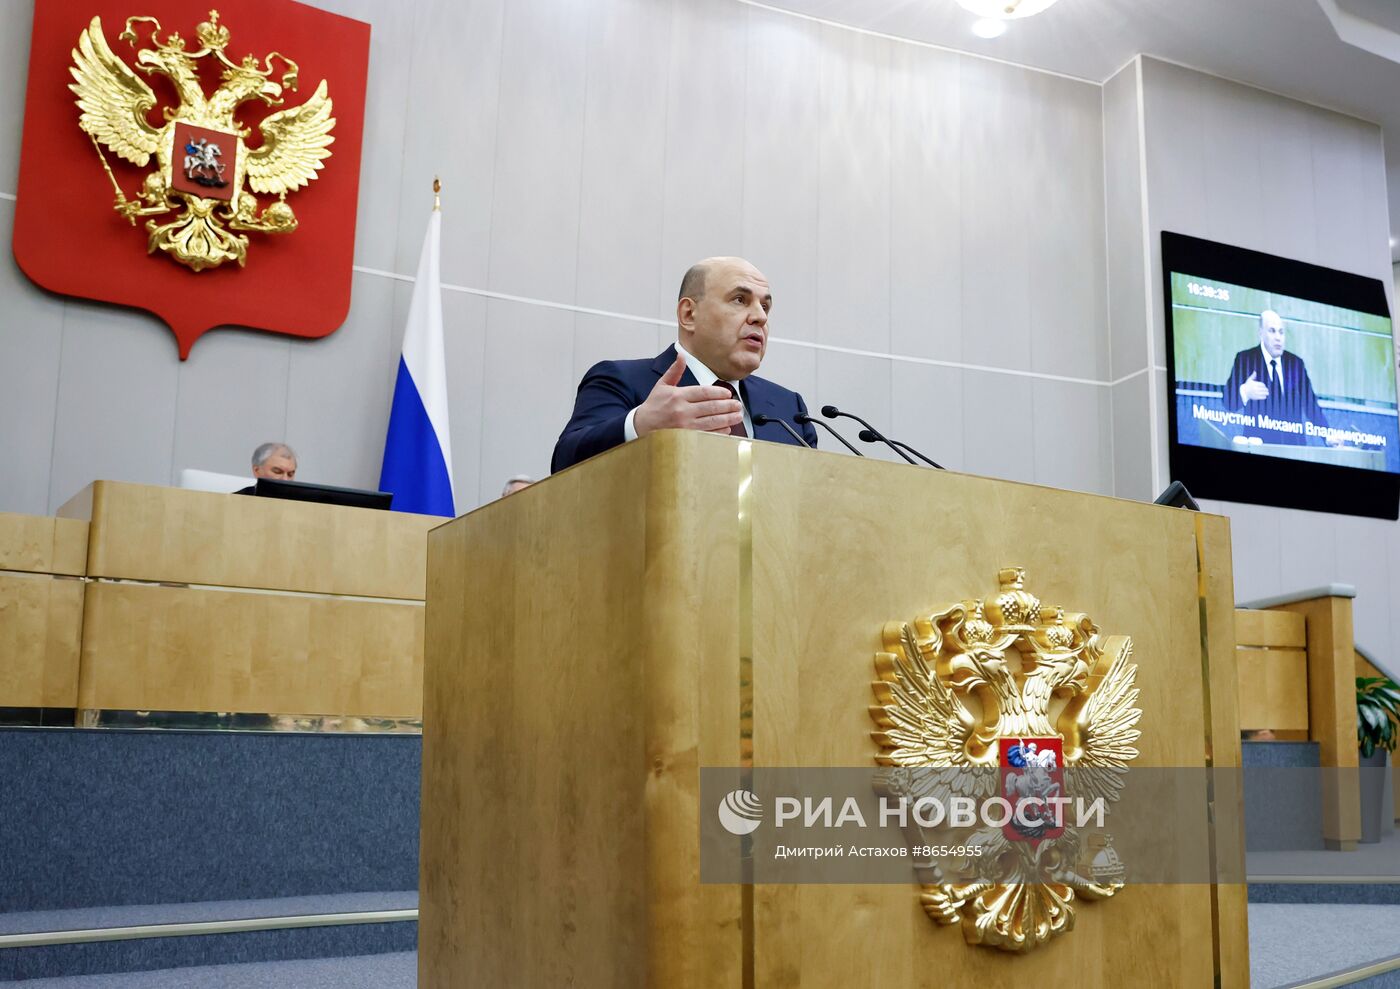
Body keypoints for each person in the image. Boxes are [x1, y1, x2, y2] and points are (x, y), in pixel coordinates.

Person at [551, 256, 817, 473]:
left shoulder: (789, 408)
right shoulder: (620, 380)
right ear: (689, 314)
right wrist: (641, 424)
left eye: (765, 307)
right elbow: (565, 461)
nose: (760, 316)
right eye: (740, 300)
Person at [1222, 310, 1334, 446]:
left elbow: (1311, 406)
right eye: (1272, 331)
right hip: (1259, 446)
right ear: (1261, 333)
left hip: (1294, 448)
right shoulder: (1246, 359)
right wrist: (1244, 392)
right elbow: (1228, 403)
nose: (1278, 337)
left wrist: (1328, 435)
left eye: (1281, 332)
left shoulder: (1295, 363)